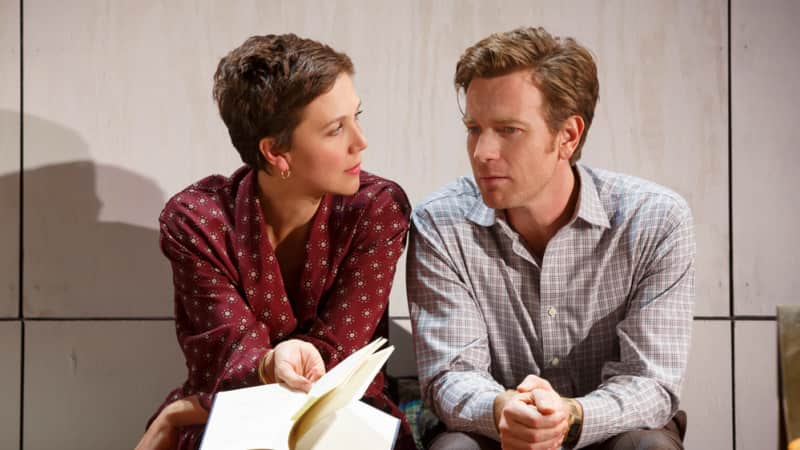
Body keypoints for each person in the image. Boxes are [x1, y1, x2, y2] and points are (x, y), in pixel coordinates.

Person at [407, 27, 695, 450]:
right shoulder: (440, 223)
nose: (482, 151)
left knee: (646, 446)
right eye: (474, 128)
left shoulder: (654, 219)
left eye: (508, 130)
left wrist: (570, 417)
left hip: (607, 429)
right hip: (494, 430)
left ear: (568, 136)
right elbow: (450, 374)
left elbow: (650, 381)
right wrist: (503, 408)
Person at [135, 33, 415, 450]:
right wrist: (268, 365)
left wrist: (179, 412)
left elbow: (336, 366)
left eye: (358, 116)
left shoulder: (377, 208)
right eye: (336, 129)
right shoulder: (199, 222)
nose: (361, 141)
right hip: (231, 412)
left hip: (345, 416)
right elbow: (228, 358)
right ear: (276, 153)